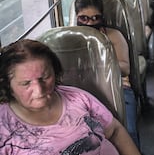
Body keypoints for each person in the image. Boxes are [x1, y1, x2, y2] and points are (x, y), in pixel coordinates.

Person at [0, 39, 141, 155]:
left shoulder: (77, 97)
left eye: (45, 77)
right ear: (7, 85)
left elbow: (115, 131)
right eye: (26, 83)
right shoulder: (3, 127)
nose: (39, 90)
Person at [74, 0, 140, 147]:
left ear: (102, 17)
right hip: (80, 93)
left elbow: (125, 69)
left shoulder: (114, 36)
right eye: (84, 18)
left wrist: (100, 64)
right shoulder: (70, 41)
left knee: (128, 132)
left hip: (118, 88)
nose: (90, 23)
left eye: (95, 18)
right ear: (77, 17)